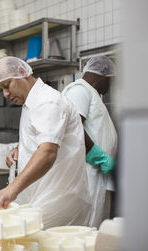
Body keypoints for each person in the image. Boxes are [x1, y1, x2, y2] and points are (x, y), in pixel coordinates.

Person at [0, 56, 91, 228]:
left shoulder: (48, 101)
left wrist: (12, 188)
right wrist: (20, 148)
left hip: (58, 201)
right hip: (41, 196)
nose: (5, 94)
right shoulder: (31, 102)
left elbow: (48, 152)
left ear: (22, 73)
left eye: (7, 86)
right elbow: (42, 136)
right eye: (1, 90)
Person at [62, 55, 117, 227]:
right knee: (84, 227)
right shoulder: (80, 90)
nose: (111, 86)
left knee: (93, 225)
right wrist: (98, 156)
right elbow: (73, 129)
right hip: (86, 173)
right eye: (111, 81)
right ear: (101, 75)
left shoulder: (90, 93)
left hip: (95, 172)